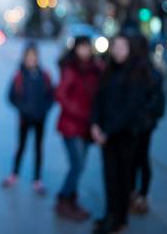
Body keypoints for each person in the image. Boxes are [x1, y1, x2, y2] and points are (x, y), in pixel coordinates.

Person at [91, 34, 152, 234]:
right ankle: (110, 215)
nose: (117, 50)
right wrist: (95, 125)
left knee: (123, 179)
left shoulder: (137, 74)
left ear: (130, 49)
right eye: (115, 46)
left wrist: (107, 131)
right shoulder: (108, 71)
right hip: (106, 134)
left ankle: (120, 219)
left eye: (122, 47)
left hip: (125, 136)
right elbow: (99, 98)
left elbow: (130, 109)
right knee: (109, 177)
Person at [54, 36, 102, 221]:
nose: (85, 51)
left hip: (87, 127)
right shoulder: (71, 69)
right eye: (81, 47)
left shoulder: (96, 69)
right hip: (71, 126)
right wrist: (80, 111)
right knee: (77, 165)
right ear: (75, 49)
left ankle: (71, 199)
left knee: (79, 166)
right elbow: (60, 94)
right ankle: (64, 198)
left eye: (87, 47)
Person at [3, 42, 54, 194]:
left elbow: (51, 95)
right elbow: (11, 96)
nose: (32, 59)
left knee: (38, 148)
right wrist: (23, 109)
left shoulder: (44, 75)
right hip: (24, 119)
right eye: (29, 56)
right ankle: (14, 174)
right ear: (24, 58)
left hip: (40, 119)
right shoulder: (19, 75)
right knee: (21, 147)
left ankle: (37, 179)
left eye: (34, 56)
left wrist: (44, 109)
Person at [129, 34, 166, 214]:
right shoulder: (144, 68)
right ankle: (137, 194)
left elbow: (156, 100)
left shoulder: (149, 70)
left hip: (142, 124)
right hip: (140, 123)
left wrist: (146, 117)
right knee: (139, 159)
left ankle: (140, 195)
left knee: (140, 159)